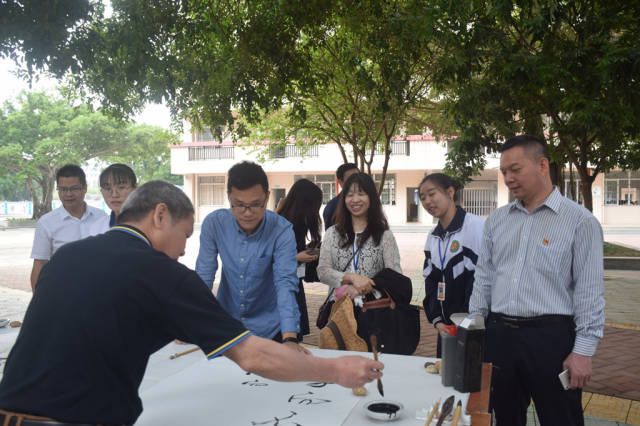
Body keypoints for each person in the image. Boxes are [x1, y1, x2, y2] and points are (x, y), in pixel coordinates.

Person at [0, 180, 383, 426]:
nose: (183, 250)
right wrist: (336, 371)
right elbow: (252, 357)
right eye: (184, 235)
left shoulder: (68, 256)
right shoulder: (161, 273)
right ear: (160, 215)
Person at [469, 135, 605, 426]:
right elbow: (484, 279)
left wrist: (582, 352)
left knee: (561, 418)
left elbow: (589, 291)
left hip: (551, 340)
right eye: (504, 171)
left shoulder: (580, 222)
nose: (508, 178)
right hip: (500, 336)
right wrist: (475, 331)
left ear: (542, 165)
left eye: (515, 169)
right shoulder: (497, 221)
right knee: (505, 418)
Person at [196, 161, 303, 350]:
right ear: (229, 197)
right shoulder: (215, 224)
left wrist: (290, 339)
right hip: (228, 326)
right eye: (239, 205)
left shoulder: (281, 230)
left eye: (255, 205)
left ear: (267, 197)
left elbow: (285, 282)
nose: (247, 213)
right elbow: (204, 275)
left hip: (271, 328)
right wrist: (191, 322)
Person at [317, 173, 402, 324]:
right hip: (338, 311)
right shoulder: (332, 233)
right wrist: (351, 277)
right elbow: (322, 271)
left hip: (374, 313)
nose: (355, 200)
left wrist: (364, 287)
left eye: (361, 194)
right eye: (349, 195)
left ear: (371, 197)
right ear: (344, 199)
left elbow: (395, 277)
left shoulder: (384, 235)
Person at [419, 173, 484, 357]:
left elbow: (481, 279)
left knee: (469, 382)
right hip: (446, 329)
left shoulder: (474, 227)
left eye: (432, 194)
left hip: (471, 328)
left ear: (450, 192)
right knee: (445, 378)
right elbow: (430, 281)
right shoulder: (433, 236)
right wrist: (437, 320)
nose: (428, 202)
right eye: (423, 197)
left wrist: (466, 321)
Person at [29, 164, 108, 291]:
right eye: (63, 189)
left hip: (99, 290)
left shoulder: (102, 218)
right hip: (62, 292)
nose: (68, 194)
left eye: (74, 189)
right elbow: (39, 264)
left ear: (85, 189)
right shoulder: (46, 223)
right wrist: (38, 302)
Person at [276, 178, 323, 339]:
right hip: (282, 287)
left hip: (294, 281)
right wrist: (297, 257)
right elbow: (268, 258)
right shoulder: (281, 222)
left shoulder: (297, 220)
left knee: (292, 337)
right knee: (286, 337)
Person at [323, 163, 359, 230]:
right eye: (351, 179)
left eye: (358, 177)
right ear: (340, 182)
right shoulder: (332, 207)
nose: (356, 181)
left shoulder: (368, 201)